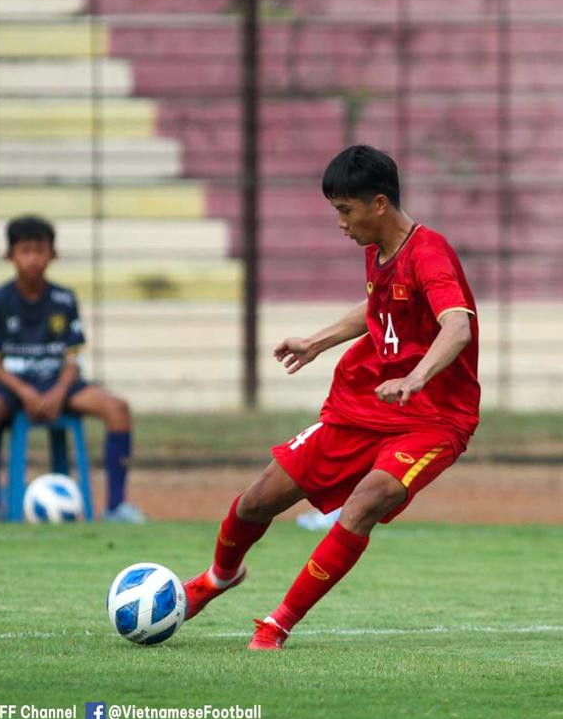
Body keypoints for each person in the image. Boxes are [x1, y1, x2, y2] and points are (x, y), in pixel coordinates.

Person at [183, 145, 480, 650]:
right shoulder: (380, 248)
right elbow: (377, 307)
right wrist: (316, 342)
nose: (340, 223)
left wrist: (417, 377)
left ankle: (276, 625)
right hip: (362, 405)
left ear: (379, 204)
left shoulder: (429, 253)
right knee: (258, 500)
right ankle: (218, 577)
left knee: (366, 502)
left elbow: (458, 327)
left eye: (346, 210)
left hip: (431, 418)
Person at [0, 215, 146, 525]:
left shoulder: (64, 299)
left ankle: (116, 506)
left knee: (118, 409)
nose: (33, 259)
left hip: (59, 383)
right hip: (13, 385)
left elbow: (72, 361)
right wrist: (25, 393)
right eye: (25, 251)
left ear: (53, 254)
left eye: (40, 250)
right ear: (10, 256)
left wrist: (58, 392)